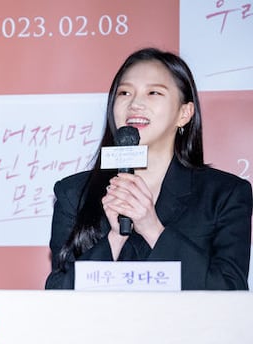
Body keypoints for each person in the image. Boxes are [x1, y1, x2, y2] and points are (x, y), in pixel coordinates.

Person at [45, 48, 252, 290]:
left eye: (153, 92)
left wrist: (152, 229)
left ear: (184, 113)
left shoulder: (225, 194)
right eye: (125, 92)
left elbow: (229, 291)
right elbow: (58, 292)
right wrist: (115, 238)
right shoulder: (73, 193)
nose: (135, 104)